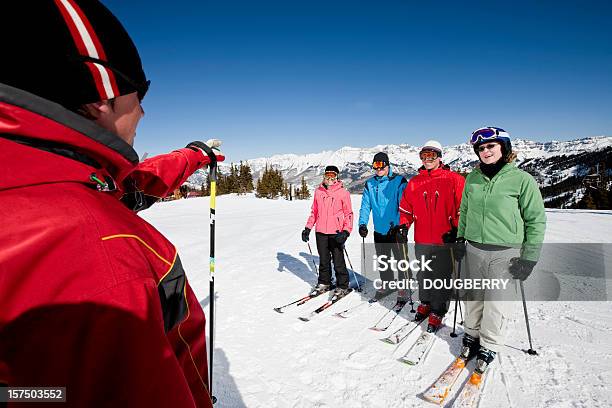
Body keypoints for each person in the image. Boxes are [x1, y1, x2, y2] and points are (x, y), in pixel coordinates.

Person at [0, 1, 223, 407]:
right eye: (137, 97)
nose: (142, 112)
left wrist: (192, 155)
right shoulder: (96, 247)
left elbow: (130, 185)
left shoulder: (37, 178)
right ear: (101, 96)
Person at [455, 126, 546, 375]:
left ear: (503, 148)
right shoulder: (472, 178)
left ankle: (489, 344)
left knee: (497, 303)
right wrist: (460, 238)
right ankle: (471, 336)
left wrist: (529, 258)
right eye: (481, 148)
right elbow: (465, 212)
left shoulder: (522, 180)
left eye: (491, 146)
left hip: (506, 251)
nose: (486, 151)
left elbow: (535, 220)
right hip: (474, 247)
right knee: (473, 299)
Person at [398, 140, 465, 332]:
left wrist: (458, 232)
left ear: (440, 157)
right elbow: (406, 209)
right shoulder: (415, 182)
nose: (427, 159)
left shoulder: (454, 180)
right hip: (422, 239)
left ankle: (437, 310)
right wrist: (404, 226)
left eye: (432, 156)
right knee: (424, 274)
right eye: (424, 156)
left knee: (442, 276)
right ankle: (426, 302)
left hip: (445, 239)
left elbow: (464, 209)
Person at [358, 152, 409, 300]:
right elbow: (365, 206)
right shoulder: (370, 183)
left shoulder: (399, 181)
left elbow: (404, 206)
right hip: (379, 229)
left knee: (401, 260)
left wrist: (402, 226)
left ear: (387, 165)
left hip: (396, 229)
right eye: (375, 165)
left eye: (381, 165)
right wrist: (362, 223)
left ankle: (404, 285)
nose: (378, 168)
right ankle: (387, 284)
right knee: (383, 260)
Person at [302, 166, 354, 297]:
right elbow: (314, 212)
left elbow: (349, 214)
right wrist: (308, 228)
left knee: (338, 260)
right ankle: (325, 282)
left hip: (336, 232)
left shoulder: (343, 193)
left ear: (337, 177)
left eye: (333, 176)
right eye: (327, 175)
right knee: (324, 260)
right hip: (320, 231)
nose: (330, 178)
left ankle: (342, 285)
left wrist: (346, 231)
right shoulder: (318, 191)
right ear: (324, 176)